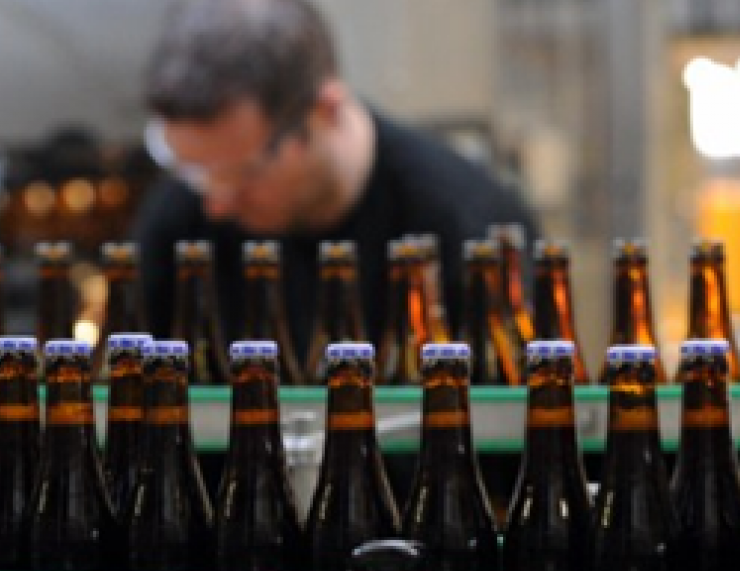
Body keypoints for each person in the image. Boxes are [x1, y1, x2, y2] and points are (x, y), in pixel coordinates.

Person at [132, 0, 538, 360]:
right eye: (194, 172)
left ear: (325, 111)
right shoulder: (179, 218)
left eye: (242, 174)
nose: (216, 204)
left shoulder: (462, 228)